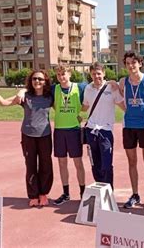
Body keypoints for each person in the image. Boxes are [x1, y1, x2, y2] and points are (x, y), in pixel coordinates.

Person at [0, 71, 54, 207]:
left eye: (40, 79)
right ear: (31, 81)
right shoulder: (25, 96)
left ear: (45, 81)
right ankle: (33, 196)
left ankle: (43, 194)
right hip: (28, 136)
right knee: (30, 166)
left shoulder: (50, 96)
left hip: (44, 136)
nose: (37, 81)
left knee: (46, 166)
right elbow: (4, 103)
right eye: (34, 79)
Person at [118, 50, 144, 210]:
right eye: (128, 63)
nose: (130, 66)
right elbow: (117, 95)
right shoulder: (123, 82)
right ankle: (135, 194)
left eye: (133, 63)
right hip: (128, 125)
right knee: (132, 162)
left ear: (140, 63)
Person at [82, 62, 126, 188]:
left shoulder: (111, 88)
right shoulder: (88, 88)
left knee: (106, 164)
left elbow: (123, 106)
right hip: (91, 131)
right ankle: (99, 190)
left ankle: (108, 191)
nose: (97, 76)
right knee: (95, 164)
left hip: (105, 131)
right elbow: (84, 107)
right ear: (90, 74)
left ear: (104, 73)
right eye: (94, 74)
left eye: (99, 73)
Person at [50, 63, 87, 205]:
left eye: (63, 74)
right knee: (62, 162)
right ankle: (66, 193)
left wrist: (79, 114)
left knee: (78, 162)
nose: (61, 77)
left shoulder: (80, 88)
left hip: (74, 130)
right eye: (58, 75)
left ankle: (83, 192)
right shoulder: (54, 89)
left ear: (70, 74)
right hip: (59, 130)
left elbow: (87, 103)